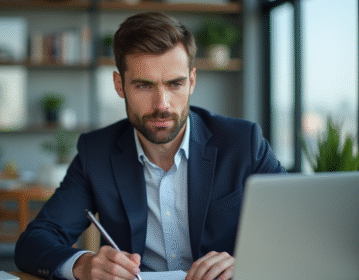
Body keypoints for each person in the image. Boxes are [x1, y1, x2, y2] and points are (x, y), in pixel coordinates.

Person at [15, 12, 285, 280]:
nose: (162, 105)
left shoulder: (243, 142)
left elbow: (297, 227)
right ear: (119, 85)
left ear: (191, 81)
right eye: (144, 86)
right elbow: (34, 242)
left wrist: (247, 262)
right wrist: (82, 265)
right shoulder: (95, 152)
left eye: (175, 84)